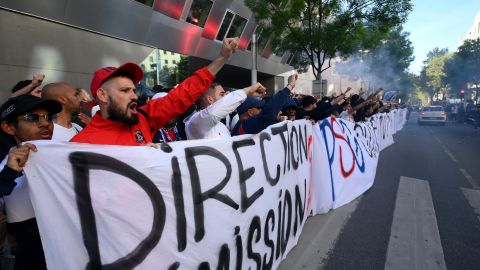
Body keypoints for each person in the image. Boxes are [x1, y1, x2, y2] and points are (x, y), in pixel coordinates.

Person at [71, 37, 239, 145]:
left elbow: (182, 95)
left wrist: (222, 58)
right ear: (102, 95)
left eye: (134, 90)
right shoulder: (81, 145)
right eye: (125, 90)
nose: (134, 96)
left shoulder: (144, 118)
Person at [0, 95, 62, 270]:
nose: (45, 123)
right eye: (32, 118)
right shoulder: (5, 167)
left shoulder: (67, 153)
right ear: (8, 127)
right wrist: (8, 174)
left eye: (48, 117)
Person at [184, 82, 266, 139]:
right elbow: (213, 113)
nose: (226, 97)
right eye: (222, 94)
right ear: (210, 99)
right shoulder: (195, 122)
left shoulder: (222, 127)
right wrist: (247, 91)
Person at [231, 74, 297, 135]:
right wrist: (290, 86)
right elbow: (268, 113)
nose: (261, 111)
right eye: (259, 108)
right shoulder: (246, 125)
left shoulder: (243, 125)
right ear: (250, 112)